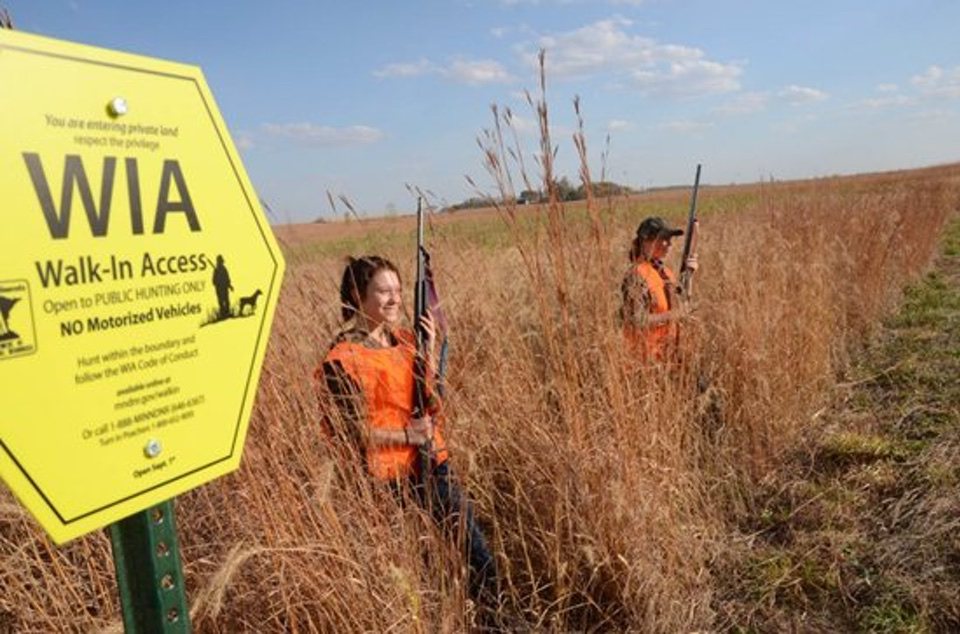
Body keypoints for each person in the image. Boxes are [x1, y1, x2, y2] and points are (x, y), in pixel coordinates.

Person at [316, 255, 498, 605]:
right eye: (383, 291)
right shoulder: (341, 359)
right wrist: (407, 436)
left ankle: (498, 622)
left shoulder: (406, 340)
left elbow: (431, 401)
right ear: (357, 296)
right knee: (414, 570)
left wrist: (427, 350)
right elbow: (351, 432)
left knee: (476, 553)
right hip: (388, 480)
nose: (394, 299)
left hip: (432, 463)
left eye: (398, 290)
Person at [621, 216, 698, 361]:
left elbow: (682, 302)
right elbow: (636, 319)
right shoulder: (635, 276)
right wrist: (674, 315)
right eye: (664, 239)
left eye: (670, 240)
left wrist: (690, 274)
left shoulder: (664, 272)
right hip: (646, 360)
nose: (669, 244)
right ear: (646, 241)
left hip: (669, 353)